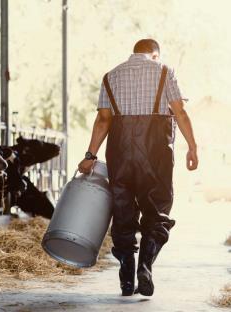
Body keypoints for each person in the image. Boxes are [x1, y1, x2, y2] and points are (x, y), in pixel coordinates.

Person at [78, 39, 198, 296]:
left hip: (120, 152)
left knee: (123, 211)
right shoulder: (165, 71)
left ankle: (126, 275)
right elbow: (180, 113)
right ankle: (145, 265)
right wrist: (192, 147)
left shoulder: (111, 76)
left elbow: (103, 120)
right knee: (157, 209)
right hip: (156, 154)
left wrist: (90, 155)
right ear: (155, 54)